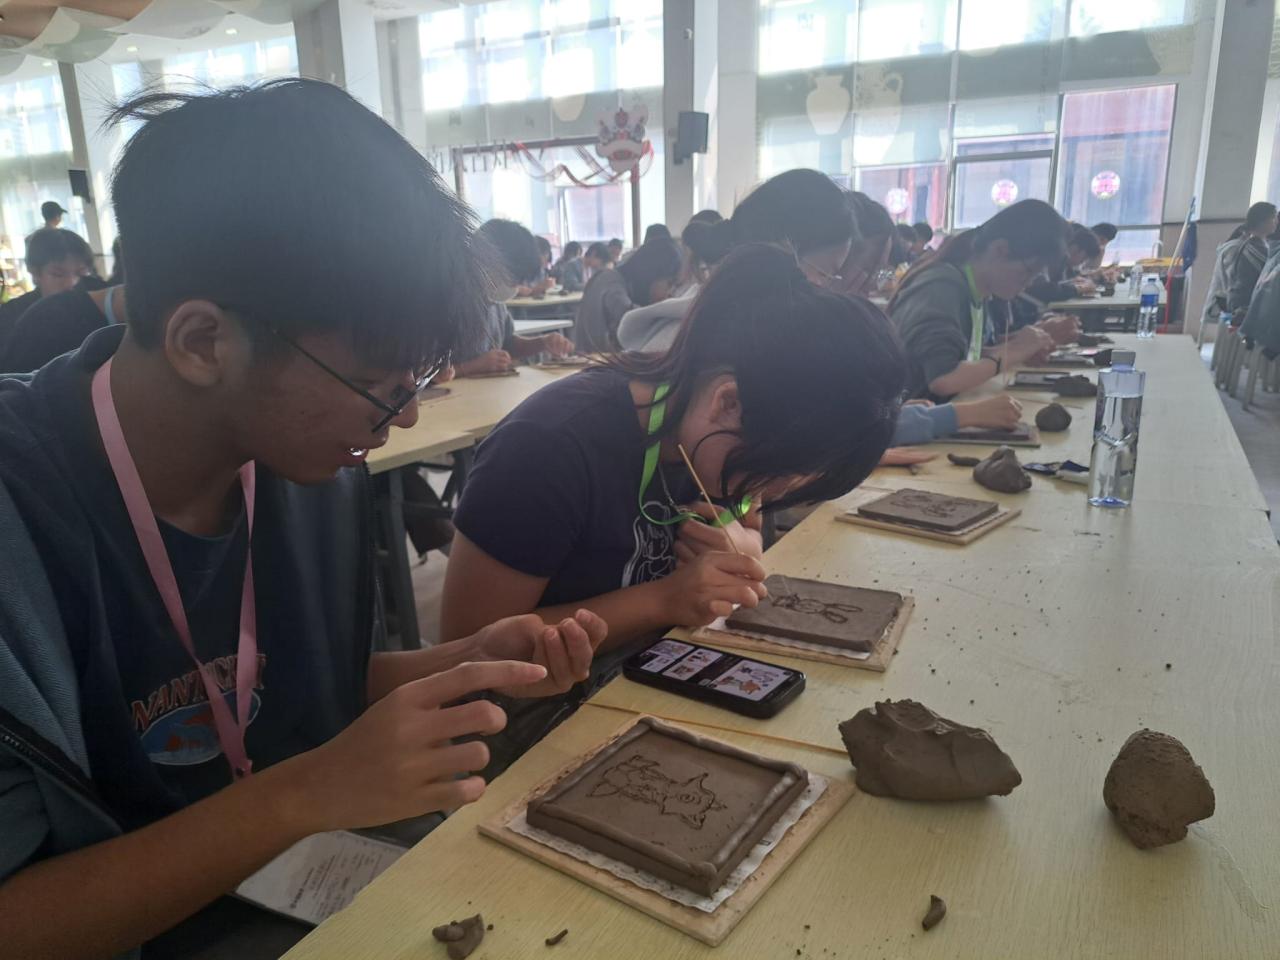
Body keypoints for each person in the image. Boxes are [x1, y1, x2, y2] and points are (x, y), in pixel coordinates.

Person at [0, 80, 608, 960]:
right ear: (202, 342)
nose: (404, 418)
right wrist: (303, 794)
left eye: (418, 381)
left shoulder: (301, 462)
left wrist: (463, 661)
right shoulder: (24, 520)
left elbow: (282, 691)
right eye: (380, 385)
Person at [442, 243, 905, 776]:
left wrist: (743, 547)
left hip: (645, 676)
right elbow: (470, 648)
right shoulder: (548, 446)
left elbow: (749, 522)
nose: (766, 495)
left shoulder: (718, 438)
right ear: (727, 402)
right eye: (771, 477)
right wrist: (666, 599)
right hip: (521, 722)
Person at [833, 193, 1023, 441]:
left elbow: (855, 419)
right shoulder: (942, 287)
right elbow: (836, 433)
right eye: (869, 269)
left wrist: (894, 412)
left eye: (880, 272)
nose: (871, 286)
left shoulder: (846, 323)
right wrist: (953, 416)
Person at [617, 168, 856, 354]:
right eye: (825, 273)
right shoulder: (703, 341)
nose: (827, 288)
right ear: (782, 252)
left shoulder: (739, 323)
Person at [889, 199, 1063, 400]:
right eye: (1028, 271)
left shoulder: (975, 289)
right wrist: (1015, 350)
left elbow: (964, 356)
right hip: (916, 416)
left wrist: (1019, 351)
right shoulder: (942, 287)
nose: (1029, 283)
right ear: (999, 249)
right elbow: (943, 379)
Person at [455, 220, 574, 377]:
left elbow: (508, 343)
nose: (513, 287)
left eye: (517, 282)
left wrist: (543, 342)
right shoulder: (448, 302)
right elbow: (426, 374)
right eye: (510, 279)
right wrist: (471, 367)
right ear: (484, 261)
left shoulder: (494, 301)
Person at [0, 227, 93, 364]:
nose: (71, 283)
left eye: (80, 273)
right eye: (58, 274)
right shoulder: (12, 316)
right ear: (35, 273)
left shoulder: (93, 306)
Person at [574, 235, 680, 353]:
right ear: (651, 275)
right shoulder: (611, 282)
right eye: (669, 283)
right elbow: (630, 317)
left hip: (597, 358)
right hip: (595, 359)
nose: (671, 292)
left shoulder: (612, 279)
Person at [1225, 201, 1278, 322]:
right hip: (1245, 303)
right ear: (1262, 221)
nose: (1276, 222)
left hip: (1244, 300)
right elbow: (1270, 274)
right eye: (1273, 218)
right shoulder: (1255, 247)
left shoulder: (1254, 243)